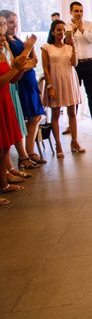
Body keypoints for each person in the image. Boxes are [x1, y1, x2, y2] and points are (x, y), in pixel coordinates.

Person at [3, 10, 47, 167]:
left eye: (15, 21)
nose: (14, 25)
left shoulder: (17, 39)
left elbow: (32, 60)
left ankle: (30, 151)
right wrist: (28, 48)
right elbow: (18, 62)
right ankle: (23, 156)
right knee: (20, 120)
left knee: (35, 117)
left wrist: (30, 47)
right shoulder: (6, 43)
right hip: (18, 82)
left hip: (29, 80)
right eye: (10, 22)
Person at [0, 32, 37, 205]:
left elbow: (12, 80)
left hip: (6, 100)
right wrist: (17, 66)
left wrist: (22, 69)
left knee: (5, 145)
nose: (3, 38)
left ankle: (4, 183)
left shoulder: (2, 53)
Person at [41, 20, 84, 158]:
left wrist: (73, 47)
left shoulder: (69, 46)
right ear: (53, 32)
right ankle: (58, 144)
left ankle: (75, 142)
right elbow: (46, 69)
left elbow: (74, 63)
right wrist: (50, 86)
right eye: (58, 30)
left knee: (72, 112)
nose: (61, 32)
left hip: (69, 79)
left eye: (63, 30)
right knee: (55, 114)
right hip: (55, 81)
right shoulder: (46, 47)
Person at [67, 1, 92, 131]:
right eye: (76, 11)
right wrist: (72, 31)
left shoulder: (89, 25)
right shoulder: (66, 26)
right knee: (73, 95)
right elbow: (65, 44)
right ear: (70, 12)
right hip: (74, 65)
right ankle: (71, 124)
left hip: (89, 63)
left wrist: (83, 30)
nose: (79, 13)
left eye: (81, 11)